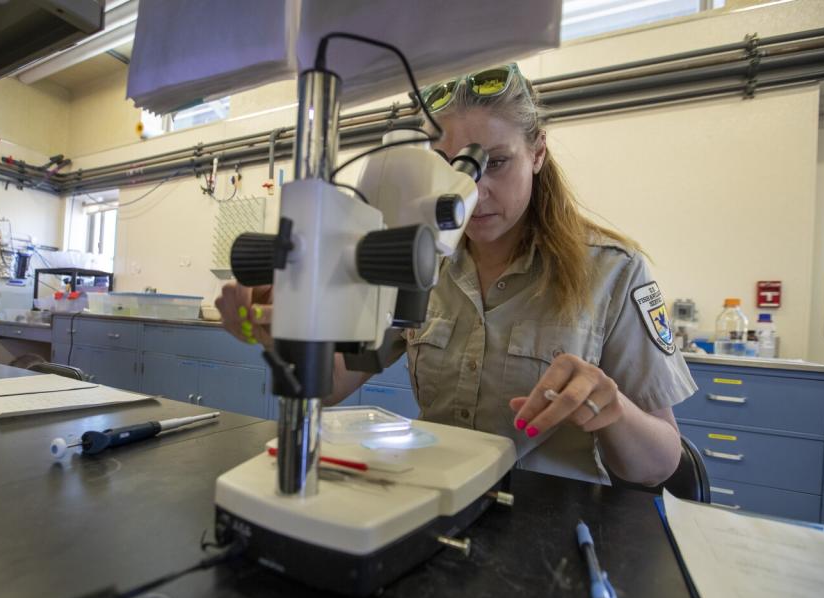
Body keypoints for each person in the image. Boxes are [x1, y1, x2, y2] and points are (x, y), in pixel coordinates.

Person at [216, 63, 697, 486]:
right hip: (442, 506)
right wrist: (281, 329)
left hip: (553, 527)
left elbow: (658, 464)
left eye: (497, 163)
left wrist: (611, 409)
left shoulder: (613, 271)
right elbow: (334, 382)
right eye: (449, 167)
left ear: (538, 153)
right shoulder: (420, 254)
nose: (475, 191)